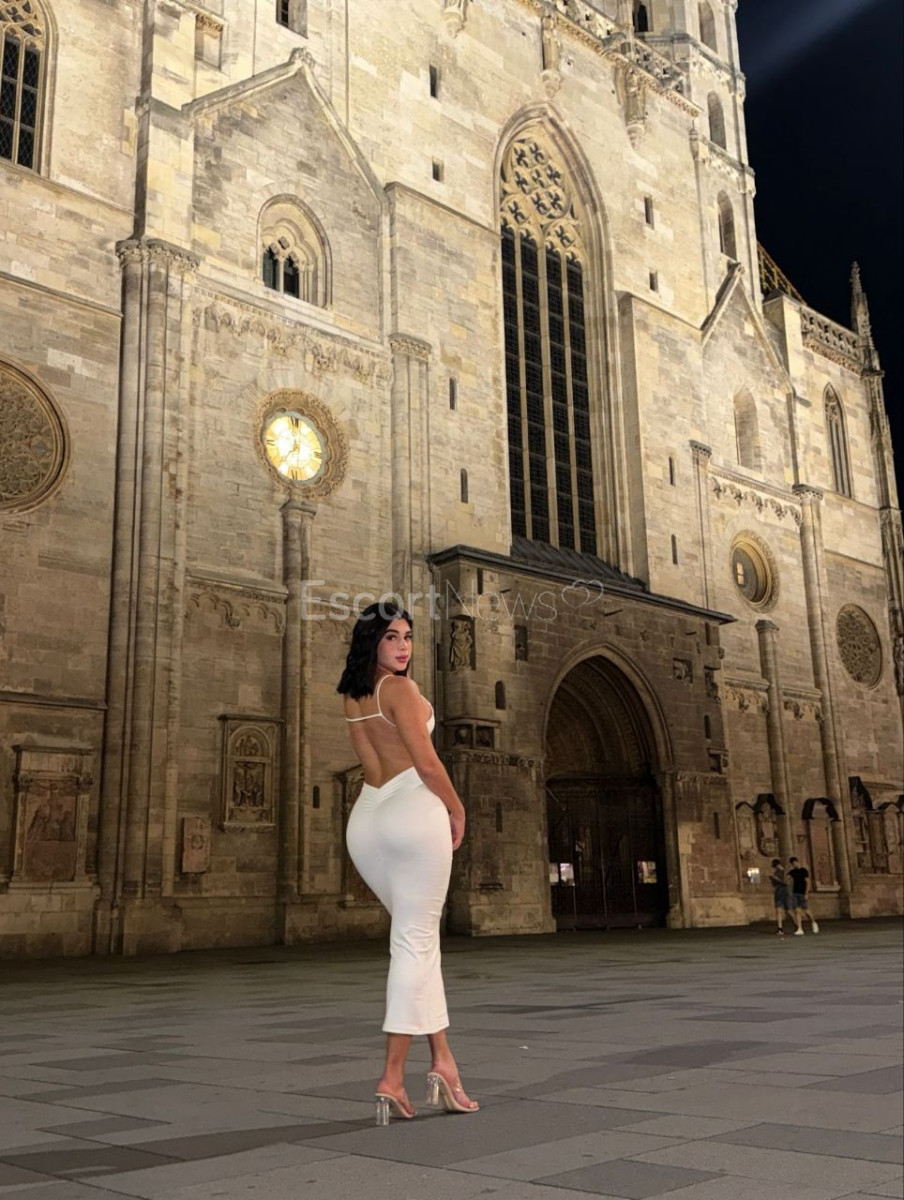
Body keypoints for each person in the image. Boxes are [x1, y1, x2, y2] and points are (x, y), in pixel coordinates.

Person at [338, 602, 479, 1125]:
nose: (403, 647)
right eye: (391, 637)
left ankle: (444, 1061)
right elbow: (426, 763)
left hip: (367, 819)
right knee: (414, 945)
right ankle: (392, 1077)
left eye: (408, 637)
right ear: (371, 641)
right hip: (412, 810)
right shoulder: (400, 690)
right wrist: (457, 808)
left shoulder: (354, 692)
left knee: (417, 944)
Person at [788, 856, 819, 935]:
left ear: (797, 862)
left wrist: (806, 893)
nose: (794, 865)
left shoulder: (804, 871)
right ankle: (800, 928)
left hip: (802, 892)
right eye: (792, 864)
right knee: (797, 911)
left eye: (795, 863)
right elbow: (786, 879)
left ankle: (813, 922)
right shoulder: (792, 872)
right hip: (795, 893)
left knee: (806, 911)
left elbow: (808, 882)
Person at [769, 858, 793, 935]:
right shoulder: (776, 872)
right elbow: (774, 884)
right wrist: (773, 880)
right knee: (778, 910)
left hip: (785, 892)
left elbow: (786, 883)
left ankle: (797, 925)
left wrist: (777, 879)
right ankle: (780, 928)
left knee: (789, 910)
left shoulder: (786, 872)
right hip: (779, 892)